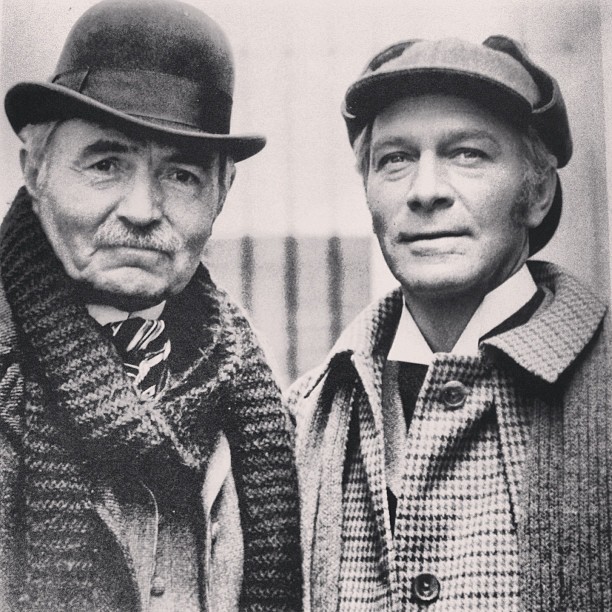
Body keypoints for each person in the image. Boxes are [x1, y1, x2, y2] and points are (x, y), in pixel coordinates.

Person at [287, 36, 611, 611]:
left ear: (537, 191)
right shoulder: (306, 415)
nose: (426, 191)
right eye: (395, 159)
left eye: (468, 154)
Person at [0, 1, 302, 610]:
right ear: (36, 171)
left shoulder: (261, 398)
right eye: (106, 164)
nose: (141, 209)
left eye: (181, 175)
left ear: (222, 192)